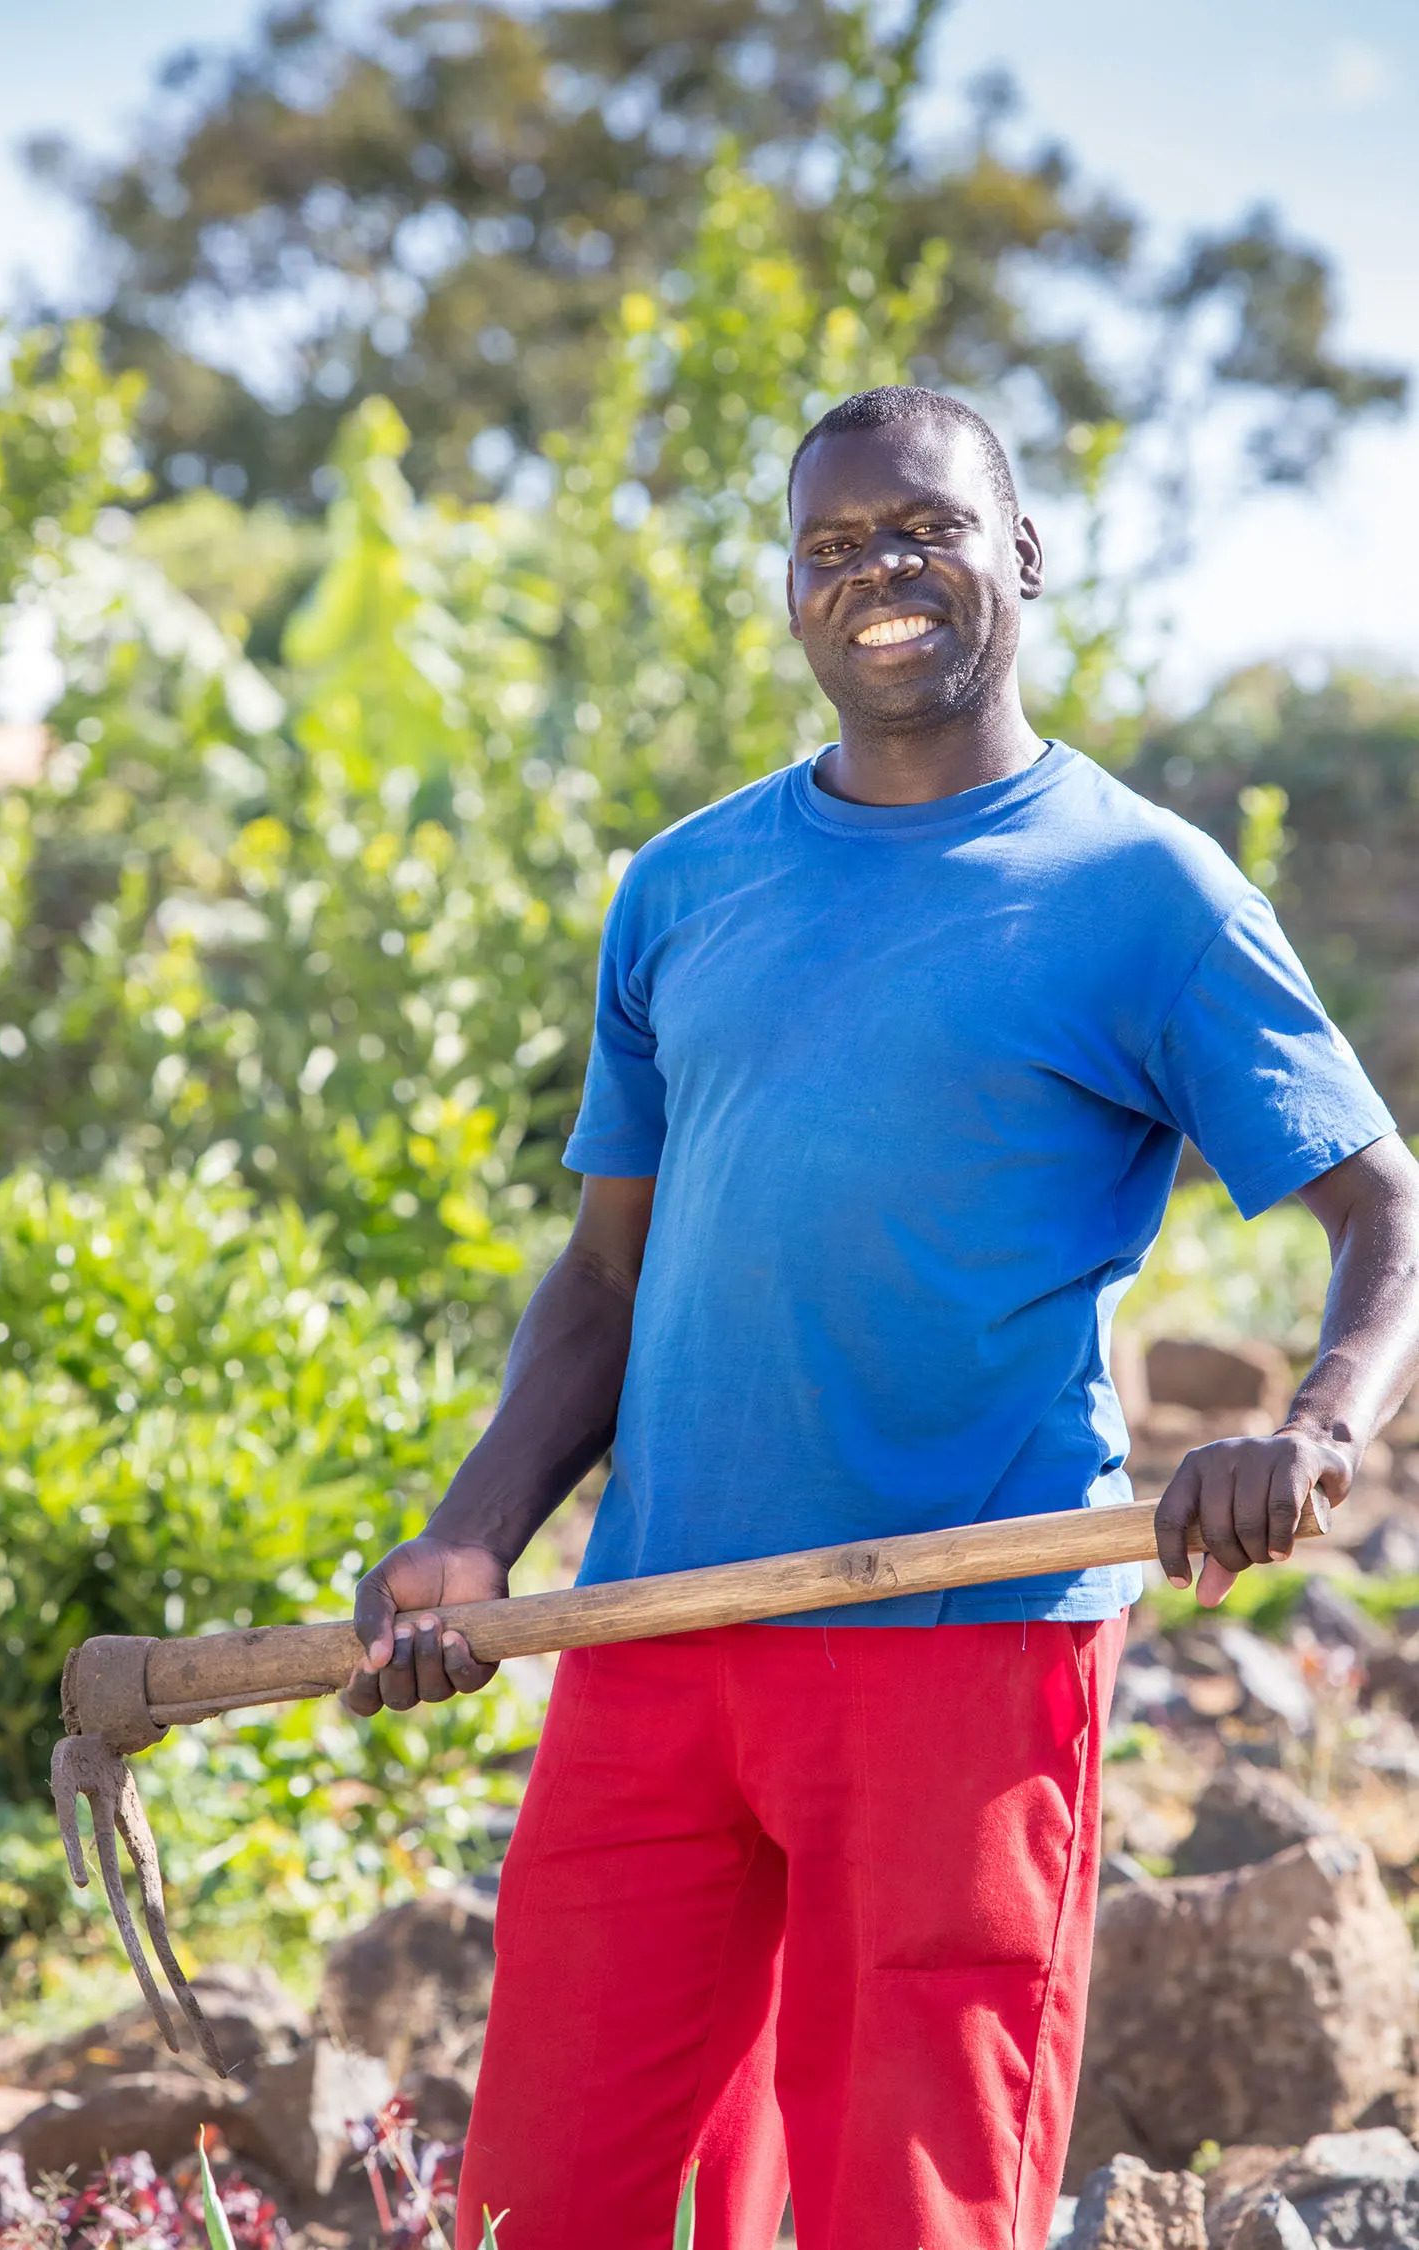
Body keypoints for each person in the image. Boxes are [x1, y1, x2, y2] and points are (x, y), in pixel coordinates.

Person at [347, 386, 1419, 2250]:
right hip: (656, 1620)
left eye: (922, 528)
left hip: (965, 1633)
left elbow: (1382, 1204)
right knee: (548, 2189)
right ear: (789, 593)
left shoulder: (1142, 887)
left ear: (1021, 551)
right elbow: (608, 1274)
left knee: (905, 2197)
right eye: (832, 545)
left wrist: (1320, 1423)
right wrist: (469, 1534)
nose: (878, 574)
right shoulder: (685, 886)